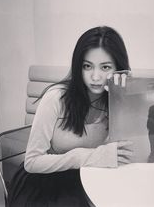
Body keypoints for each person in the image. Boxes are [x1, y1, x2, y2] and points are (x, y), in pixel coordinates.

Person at [8, 26, 133, 206]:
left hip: (89, 176)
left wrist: (123, 96)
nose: (96, 77)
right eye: (87, 66)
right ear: (78, 66)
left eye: (105, 67)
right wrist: (83, 156)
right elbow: (32, 162)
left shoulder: (114, 99)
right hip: (43, 182)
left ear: (118, 68)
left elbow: (126, 151)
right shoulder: (56, 98)